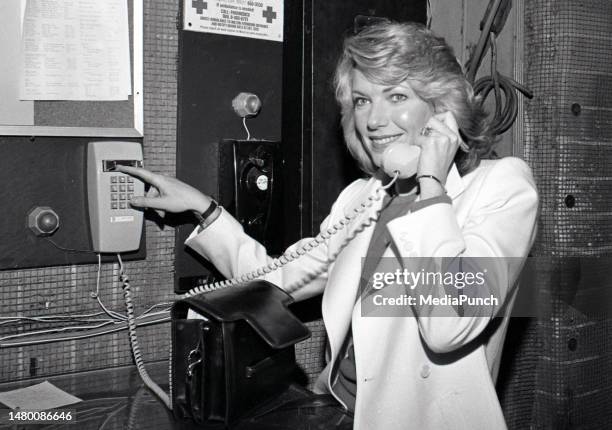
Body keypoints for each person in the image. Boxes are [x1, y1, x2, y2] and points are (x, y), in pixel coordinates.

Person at [119, 21, 538, 430]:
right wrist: (202, 208)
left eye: (396, 95)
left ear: (442, 108)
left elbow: (449, 325)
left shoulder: (502, 187)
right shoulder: (363, 196)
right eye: (361, 100)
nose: (373, 120)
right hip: (340, 412)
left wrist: (430, 183)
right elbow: (274, 277)